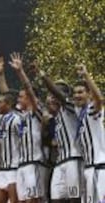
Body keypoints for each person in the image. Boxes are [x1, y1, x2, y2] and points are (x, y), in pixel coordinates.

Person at [37, 67, 82, 203]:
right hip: (59, 162)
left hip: (73, 159)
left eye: (54, 92)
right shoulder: (55, 117)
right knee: (56, 199)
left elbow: (60, 96)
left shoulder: (71, 107)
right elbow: (47, 140)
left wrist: (44, 77)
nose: (51, 96)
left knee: (75, 199)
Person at [9, 53, 49, 203]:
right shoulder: (21, 116)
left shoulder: (37, 112)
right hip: (22, 164)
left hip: (34, 163)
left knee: (35, 200)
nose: (19, 99)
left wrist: (20, 72)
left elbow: (29, 89)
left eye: (22, 96)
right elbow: (6, 95)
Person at [73, 64, 105, 203]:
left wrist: (86, 75)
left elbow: (99, 99)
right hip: (88, 169)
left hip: (98, 168)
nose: (77, 95)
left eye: (80, 92)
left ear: (88, 94)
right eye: (75, 93)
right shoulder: (80, 114)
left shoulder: (92, 110)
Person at [0, 55, 22, 203]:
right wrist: (0, 74)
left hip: (14, 168)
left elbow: (7, 94)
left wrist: (2, 75)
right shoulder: (1, 119)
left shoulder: (18, 118)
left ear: (9, 104)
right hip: (2, 169)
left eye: (0, 102)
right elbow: (5, 95)